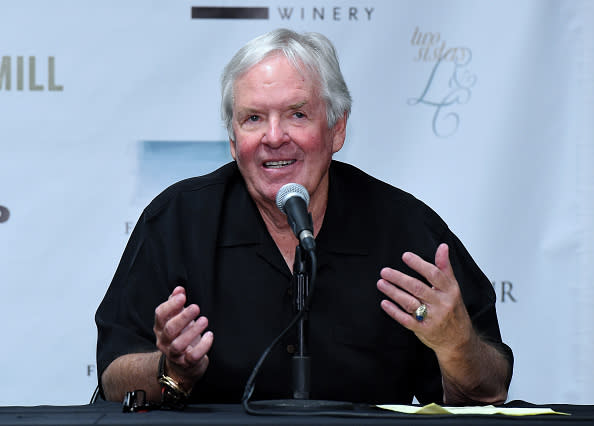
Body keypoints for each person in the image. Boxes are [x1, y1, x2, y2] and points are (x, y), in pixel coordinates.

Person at [95, 28, 513, 406]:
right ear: (233, 139)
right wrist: (171, 370)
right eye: (253, 118)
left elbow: (491, 387)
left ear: (337, 129)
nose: (274, 137)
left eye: (297, 114)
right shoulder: (177, 221)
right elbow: (114, 376)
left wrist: (457, 348)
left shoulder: (405, 228)